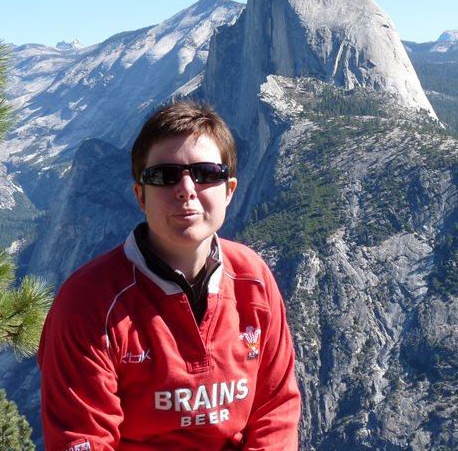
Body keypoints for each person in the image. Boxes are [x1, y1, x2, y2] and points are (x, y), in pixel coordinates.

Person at [38, 100, 301, 451]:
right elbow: (82, 438)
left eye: (207, 173)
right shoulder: (88, 302)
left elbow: (276, 409)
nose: (187, 189)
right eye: (164, 176)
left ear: (230, 190)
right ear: (140, 196)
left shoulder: (254, 280)